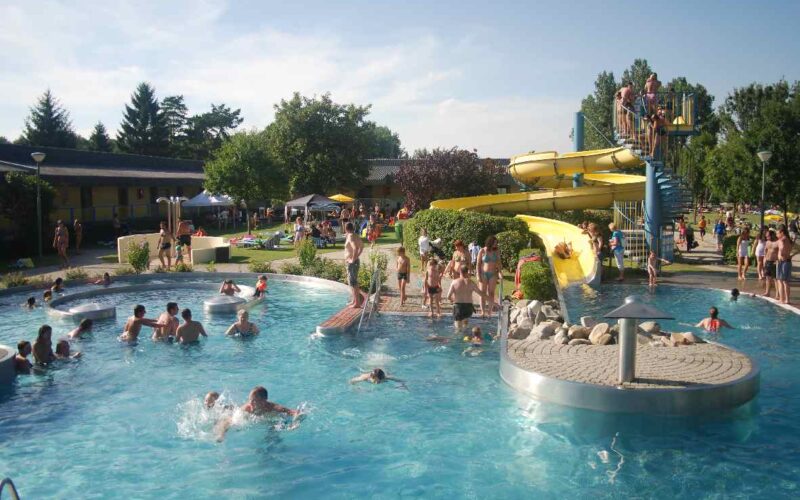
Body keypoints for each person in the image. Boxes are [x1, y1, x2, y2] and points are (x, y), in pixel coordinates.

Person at [214, 386, 300, 441]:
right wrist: (222, 434)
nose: (250, 403)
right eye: (250, 400)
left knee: (274, 431)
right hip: (253, 419)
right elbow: (228, 420)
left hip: (270, 420)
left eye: (254, 401)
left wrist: (295, 423)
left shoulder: (273, 407)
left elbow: (295, 412)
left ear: (264, 401)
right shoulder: (247, 409)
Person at [447, 265, 486, 332]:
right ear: (467, 272)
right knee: (465, 324)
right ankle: (466, 333)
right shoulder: (471, 282)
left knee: (458, 329)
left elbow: (448, 296)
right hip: (469, 308)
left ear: (460, 271)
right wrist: (493, 302)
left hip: (458, 307)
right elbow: (481, 294)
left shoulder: (454, 282)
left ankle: (459, 335)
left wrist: (453, 300)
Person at [476, 235, 501, 316]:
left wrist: (500, 272)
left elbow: (499, 263)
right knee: (482, 293)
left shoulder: (497, 251)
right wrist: (478, 275)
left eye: (496, 243)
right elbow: (478, 264)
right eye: (494, 243)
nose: (496, 244)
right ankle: (483, 311)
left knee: (491, 292)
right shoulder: (482, 250)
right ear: (490, 243)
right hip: (483, 273)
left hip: (493, 274)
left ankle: (490, 311)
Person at [344, 222, 364, 309]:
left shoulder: (350, 236)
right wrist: (356, 257)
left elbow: (355, 247)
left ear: (346, 228)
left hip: (352, 263)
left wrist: (353, 259)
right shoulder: (355, 235)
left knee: (353, 282)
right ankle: (354, 300)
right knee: (351, 282)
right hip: (354, 262)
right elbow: (362, 247)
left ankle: (357, 303)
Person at [776, 226, 796, 304]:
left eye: (778, 233)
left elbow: (781, 248)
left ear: (782, 233)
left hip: (782, 262)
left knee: (780, 281)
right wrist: (791, 255)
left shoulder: (782, 240)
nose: (777, 235)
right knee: (786, 282)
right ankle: (787, 300)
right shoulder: (789, 240)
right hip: (788, 262)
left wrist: (780, 255)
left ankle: (781, 299)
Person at [763, 229, 779, 298]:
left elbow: (780, 252)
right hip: (767, 261)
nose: (766, 237)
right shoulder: (767, 242)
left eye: (768, 236)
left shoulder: (777, 242)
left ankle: (777, 295)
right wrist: (765, 259)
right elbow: (765, 250)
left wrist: (778, 260)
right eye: (766, 236)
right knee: (767, 278)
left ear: (772, 235)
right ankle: (767, 292)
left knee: (775, 279)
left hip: (774, 262)